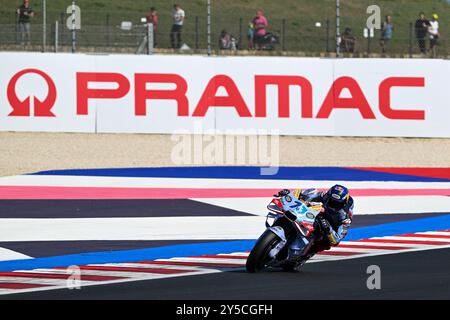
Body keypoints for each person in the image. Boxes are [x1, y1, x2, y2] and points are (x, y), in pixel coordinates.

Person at [274, 185, 353, 262]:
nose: (332, 204)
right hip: (305, 215)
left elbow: (337, 240)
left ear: (343, 203)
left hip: (324, 226)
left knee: (325, 242)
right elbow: (299, 193)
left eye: (336, 204)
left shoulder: (344, 217)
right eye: (331, 201)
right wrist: (288, 194)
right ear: (327, 196)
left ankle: (304, 254)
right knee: (285, 210)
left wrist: (328, 229)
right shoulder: (318, 194)